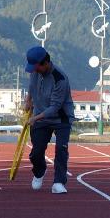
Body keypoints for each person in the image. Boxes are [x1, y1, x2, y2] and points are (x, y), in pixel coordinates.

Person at [24, 46, 75, 194]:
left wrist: (34, 118)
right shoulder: (35, 71)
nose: (34, 70)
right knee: (36, 151)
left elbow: (54, 108)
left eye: (36, 67)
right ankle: (39, 171)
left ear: (45, 63)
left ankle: (59, 182)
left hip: (61, 118)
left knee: (61, 150)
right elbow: (32, 86)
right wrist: (28, 100)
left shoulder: (60, 78)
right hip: (40, 115)